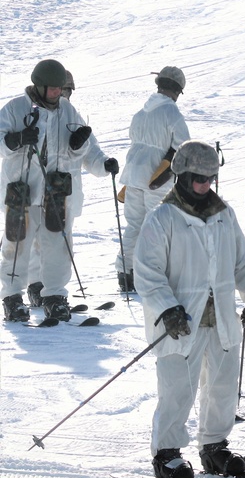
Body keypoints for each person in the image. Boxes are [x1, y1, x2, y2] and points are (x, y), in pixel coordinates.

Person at [133, 140, 245, 478]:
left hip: (220, 317)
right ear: (181, 175)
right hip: (181, 321)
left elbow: (241, 260)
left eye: (211, 178)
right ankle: (167, 453)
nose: (206, 184)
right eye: (199, 178)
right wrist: (167, 307)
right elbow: (147, 272)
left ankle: (214, 446)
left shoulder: (224, 215)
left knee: (223, 385)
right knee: (178, 387)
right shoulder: (162, 218)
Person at [1, 59, 113, 323]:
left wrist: (85, 149)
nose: (57, 93)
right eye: (53, 88)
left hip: (56, 191)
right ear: (39, 86)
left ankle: (54, 296)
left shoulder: (68, 111)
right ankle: (12, 297)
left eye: (60, 88)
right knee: (17, 244)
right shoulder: (15, 108)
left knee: (58, 244)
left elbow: (82, 147)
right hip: (23, 191)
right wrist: (15, 140)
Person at [26, 69, 119, 308]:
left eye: (67, 90)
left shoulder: (71, 116)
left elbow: (91, 150)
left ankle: (54, 291)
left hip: (63, 194)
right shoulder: (32, 112)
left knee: (60, 243)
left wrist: (104, 164)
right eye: (60, 89)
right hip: (35, 191)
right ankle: (36, 286)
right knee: (37, 241)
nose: (63, 94)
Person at [117, 65, 191, 293]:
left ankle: (125, 272)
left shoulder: (141, 113)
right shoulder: (172, 113)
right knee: (156, 228)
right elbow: (183, 147)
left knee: (135, 226)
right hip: (157, 178)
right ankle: (152, 275)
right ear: (178, 90)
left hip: (132, 177)